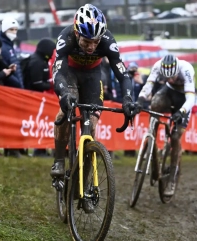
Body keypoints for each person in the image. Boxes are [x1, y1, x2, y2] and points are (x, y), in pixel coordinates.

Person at [50, 4, 138, 177]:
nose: (91, 47)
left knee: (90, 125)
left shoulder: (107, 40)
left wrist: (127, 98)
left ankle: (85, 177)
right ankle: (59, 160)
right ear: (77, 33)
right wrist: (63, 93)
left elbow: (123, 74)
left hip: (93, 75)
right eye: (86, 42)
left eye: (95, 42)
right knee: (64, 113)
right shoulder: (66, 37)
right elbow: (58, 72)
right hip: (70, 74)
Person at [137, 54, 196, 196]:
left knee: (176, 137)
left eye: (173, 77)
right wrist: (140, 99)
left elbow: (191, 98)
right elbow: (149, 85)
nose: (170, 79)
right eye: (167, 78)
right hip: (169, 92)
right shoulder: (157, 66)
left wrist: (181, 111)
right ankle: (152, 141)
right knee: (155, 104)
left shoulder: (186, 69)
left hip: (184, 99)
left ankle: (172, 178)